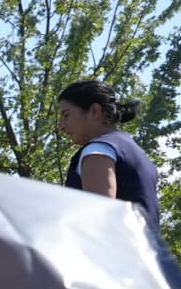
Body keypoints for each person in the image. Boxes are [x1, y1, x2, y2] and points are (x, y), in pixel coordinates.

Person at [57, 79, 158, 226]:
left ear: (94, 112)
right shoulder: (133, 149)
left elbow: (100, 217)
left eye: (66, 115)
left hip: (115, 247)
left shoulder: (98, 151)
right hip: (145, 247)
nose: (62, 126)